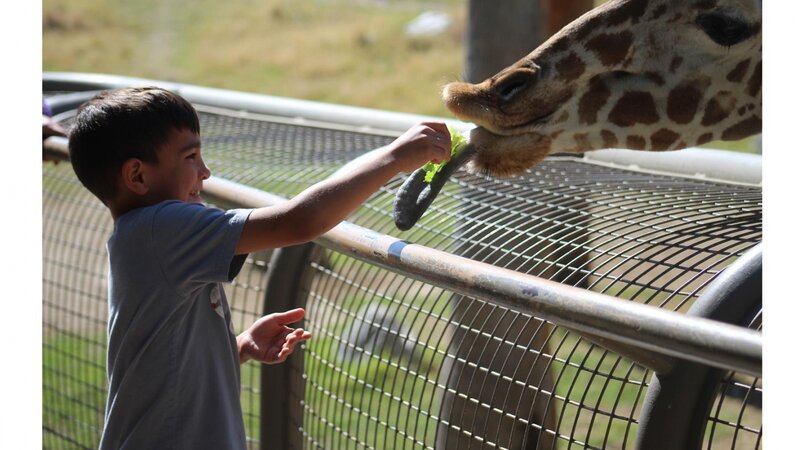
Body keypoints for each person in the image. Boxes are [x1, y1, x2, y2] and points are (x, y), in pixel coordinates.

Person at [66, 86, 451, 450]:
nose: (205, 172)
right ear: (137, 176)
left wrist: (238, 347)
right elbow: (299, 221)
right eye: (190, 157)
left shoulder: (144, 238)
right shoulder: (160, 229)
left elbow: (163, 369)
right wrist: (393, 158)